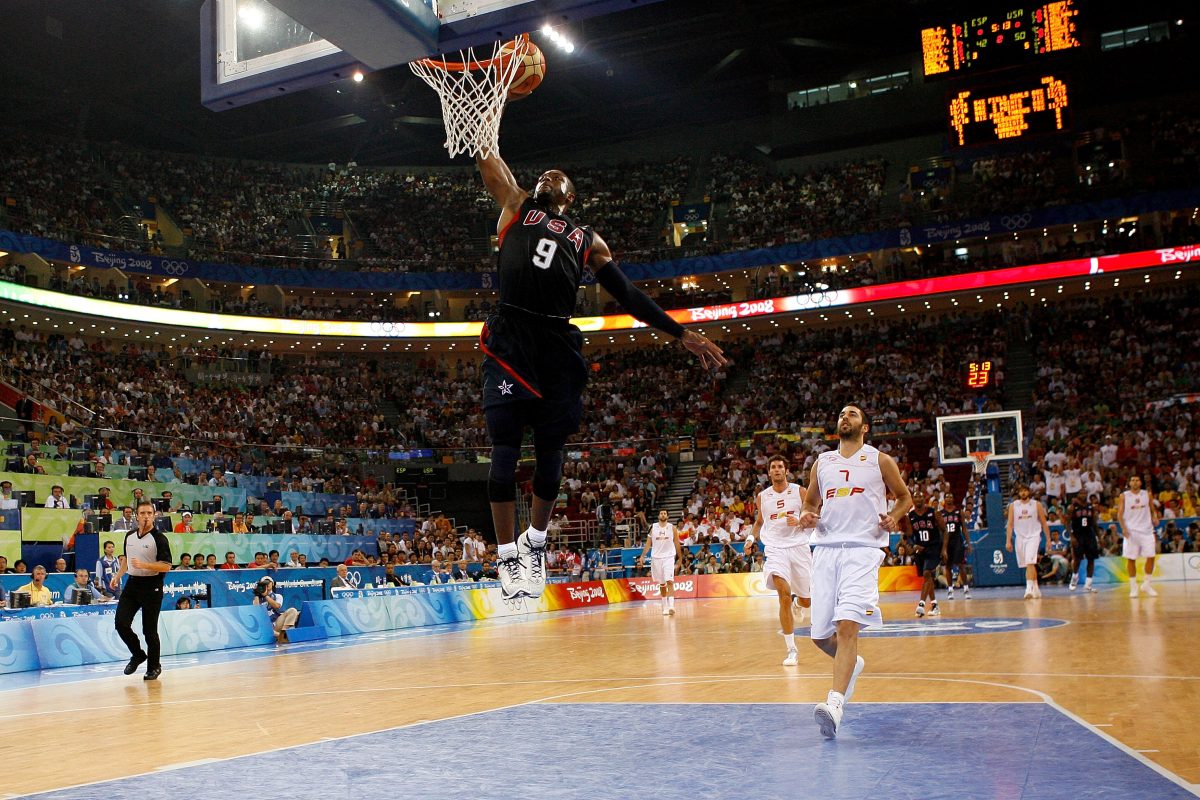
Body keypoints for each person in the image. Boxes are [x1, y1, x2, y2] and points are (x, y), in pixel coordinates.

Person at [474, 147, 726, 601]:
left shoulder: (588, 239)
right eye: (545, 173)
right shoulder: (515, 205)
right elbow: (487, 160)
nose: (550, 175)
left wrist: (679, 332)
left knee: (552, 451)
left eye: (559, 175)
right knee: (505, 450)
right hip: (511, 336)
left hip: (554, 346)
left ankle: (534, 541)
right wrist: (492, 102)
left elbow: (627, 293)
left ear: (569, 198)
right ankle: (507, 553)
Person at [798, 404, 912, 739]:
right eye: (842, 414)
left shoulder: (880, 460)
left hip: (863, 550)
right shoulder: (823, 463)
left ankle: (834, 704)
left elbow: (905, 497)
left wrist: (895, 515)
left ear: (864, 427)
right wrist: (806, 514)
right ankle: (852, 665)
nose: (845, 417)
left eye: (853, 414)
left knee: (847, 625)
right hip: (826, 551)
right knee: (820, 636)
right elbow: (810, 503)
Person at [746, 455, 811, 665]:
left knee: (807, 599)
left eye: (780, 466)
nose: (776, 470)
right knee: (783, 593)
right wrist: (749, 538)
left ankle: (799, 605)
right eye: (773, 467)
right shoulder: (762, 496)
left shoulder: (800, 491)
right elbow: (759, 522)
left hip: (799, 546)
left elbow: (814, 516)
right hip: (775, 548)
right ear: (768, 472)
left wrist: (800, 520)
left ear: (786, 470)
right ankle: (791, 649)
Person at [111, 500, 173, 680]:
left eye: (149, 513)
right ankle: (138, 654)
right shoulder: (129, 536)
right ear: (136, 516)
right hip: (132, 584)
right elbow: (126, 559)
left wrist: (145, 564)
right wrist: (117, 576)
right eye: (142, 513)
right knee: (121, 623)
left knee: (149, 630)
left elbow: (166, 566)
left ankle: (154, 666)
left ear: (154, 516)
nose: (146, 516)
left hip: (152, 585)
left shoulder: (159, 538)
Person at [1117, 475, 1160, 597]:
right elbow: (1120, 514)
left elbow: (1152, 509)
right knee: (1131, 559)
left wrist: (1155, 517)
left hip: (1147, 530)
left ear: (1140, 482)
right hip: (1131, 531)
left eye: (1137, 480)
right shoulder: (1124, 496)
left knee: (1151, 556)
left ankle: (1147, 584)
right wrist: (1124, 528)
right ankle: (1133, 586)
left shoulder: (1147, 494)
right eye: (1132, 480)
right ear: (1129, 483)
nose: (1135, 482)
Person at [1005, 485, 1050, 600]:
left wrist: (1048, 539)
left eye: (1025, 490)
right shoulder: (1013, 506)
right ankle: (1036, 588)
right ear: (1018, 493)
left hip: (1034, 536)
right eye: (1021, 491)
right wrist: (1008, 541)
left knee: (1030, 562)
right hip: (1020, 537)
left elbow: (1044, 523)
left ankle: (1028, 589)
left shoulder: (1037, 504)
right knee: (1028, 564)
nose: (1023, 493)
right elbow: (1010, 525)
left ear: (1028, 492)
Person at [636, 510, 683, 616]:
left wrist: (680, 559)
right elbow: (648, 544)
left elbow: (677, 543)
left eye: (665, 513)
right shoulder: (653, 527)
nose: (663, 515)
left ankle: (671, 606)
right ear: (658, 516)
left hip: (669, 557)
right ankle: (665, 607)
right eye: (661, 513)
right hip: (656, 558)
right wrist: (642, 556)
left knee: (669, 581)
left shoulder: (672, 528)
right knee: (662, 584)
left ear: (668, 516)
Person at [905, 491, 941, 617]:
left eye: (920, 496)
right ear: (913, 500)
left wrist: (944, 549)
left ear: (924, 498)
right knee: (927, 578)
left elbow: (944, 530)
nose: (918, 498)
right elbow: (909, 536)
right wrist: (913, 545)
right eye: (915, 496)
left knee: (927, 573)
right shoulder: (910, 516)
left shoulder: (933, 512)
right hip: (919, 550)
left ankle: (921, 605)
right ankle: (935, 605)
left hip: (933, 547)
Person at [941, 492, 971, 600]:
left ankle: (966, 589)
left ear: (953, 499)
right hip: (946, 543)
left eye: (950, 496)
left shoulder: (959, 512)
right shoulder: (941, 513)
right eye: (947, 497)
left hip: (958, 541)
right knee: (948, 567)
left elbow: (964, 528)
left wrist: (968, 543)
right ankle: (950, 590)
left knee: (961, 565)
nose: (949, 498)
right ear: (944, 499)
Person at [1068, 492, 1099, 592]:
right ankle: (1074, 578)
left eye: (1084, 493)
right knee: (1077, 559)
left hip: (1089, 534)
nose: (1083, 494)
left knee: (1091, 559)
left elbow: (1094, 522)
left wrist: (1099, 536)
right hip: (1077, 534)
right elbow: (1067, 522)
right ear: (1077, 495)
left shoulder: (1091, 507)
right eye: (1081, 493)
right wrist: (1071, 536)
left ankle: (1088, 584)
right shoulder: (1072, 507)